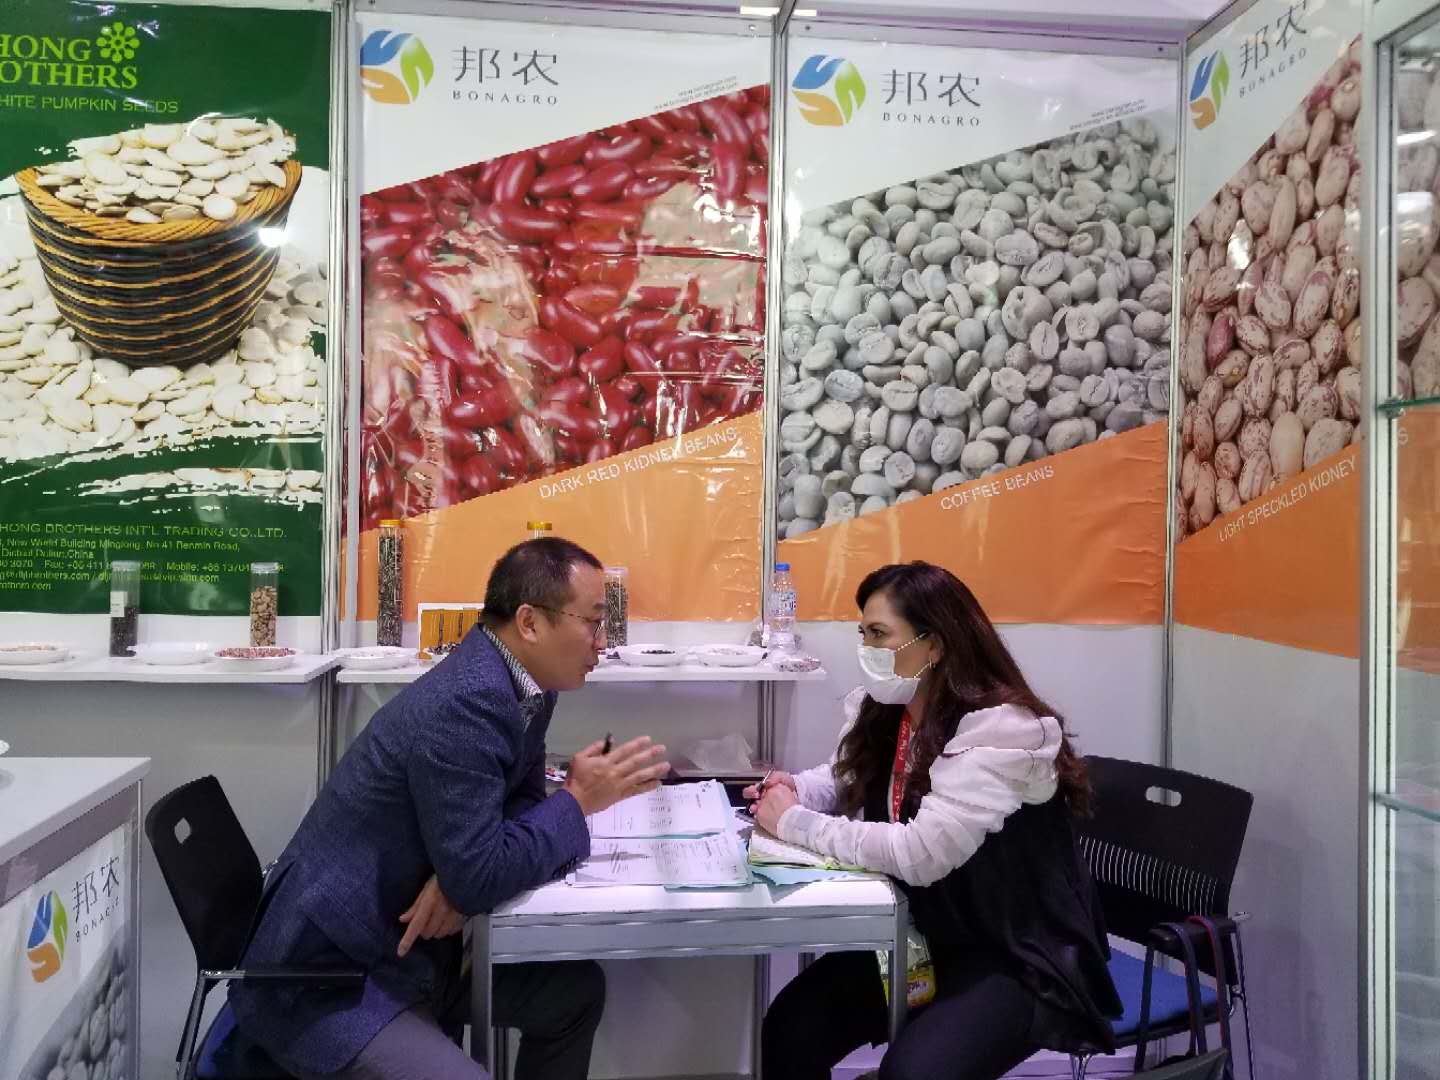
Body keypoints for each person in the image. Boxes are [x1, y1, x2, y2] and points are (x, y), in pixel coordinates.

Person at [229, 538, 669, 1080]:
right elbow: (483, 868)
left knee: (573, 994)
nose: (602, 641)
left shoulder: (528, 686)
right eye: (594, 622)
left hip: (413, 947)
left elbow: (517, 805)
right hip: (336, 973)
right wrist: (575, 802)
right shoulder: (468, 701)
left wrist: (459, 879)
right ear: (530, 622)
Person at [748, 561, 1121, 1080]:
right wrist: (793, 789)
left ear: (935, 644)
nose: (866, 649)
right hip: (925, 936)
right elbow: (843, 775)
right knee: (792, 1028)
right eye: (863, 633)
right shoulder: (891, 707)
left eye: (879, 634)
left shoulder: (1002, 729)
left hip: (1013, 952)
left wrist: (793, 823)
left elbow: (920, 854)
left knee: (914, 1074)